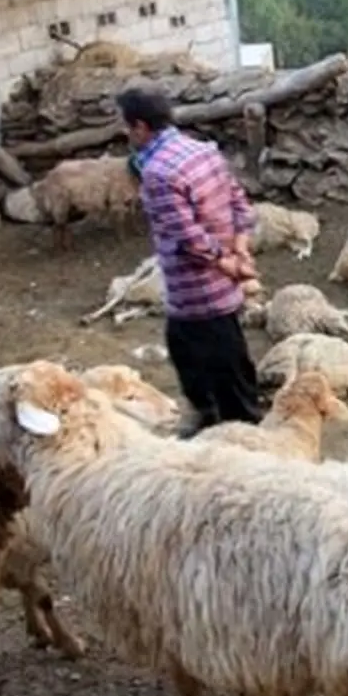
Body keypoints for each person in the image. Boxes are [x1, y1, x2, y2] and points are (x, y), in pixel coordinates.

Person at [116, 87, 262, 438]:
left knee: (219, 360)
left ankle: (241, 429)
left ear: (139, 127)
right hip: (215, 280)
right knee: (196, 348)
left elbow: (189, 239)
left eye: (123, 126)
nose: (122, 134)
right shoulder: (203, 150)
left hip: (197, 287)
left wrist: (228, 265)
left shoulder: (158, 173)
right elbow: (238, 202)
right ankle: (215, 415)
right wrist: (240, 251)